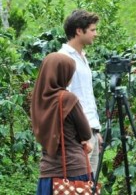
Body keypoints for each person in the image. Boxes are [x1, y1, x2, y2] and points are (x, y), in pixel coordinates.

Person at [31, 52, 93, 195]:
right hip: (72, 172)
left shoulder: (37, 100)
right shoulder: (67, 99)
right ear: (62, 74)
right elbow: (86, 133)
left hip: (47, 173)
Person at [58, 9, 103, 175]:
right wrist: (82, 135)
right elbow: (64, 100)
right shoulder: (64, 58)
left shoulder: (82, 57)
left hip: (90, 130)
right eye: (92, 30)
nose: (95, 34)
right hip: (78, 134)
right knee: (77, 183)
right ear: (79, 31)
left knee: (90, 185)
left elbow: (86, 96)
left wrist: (95, 129)